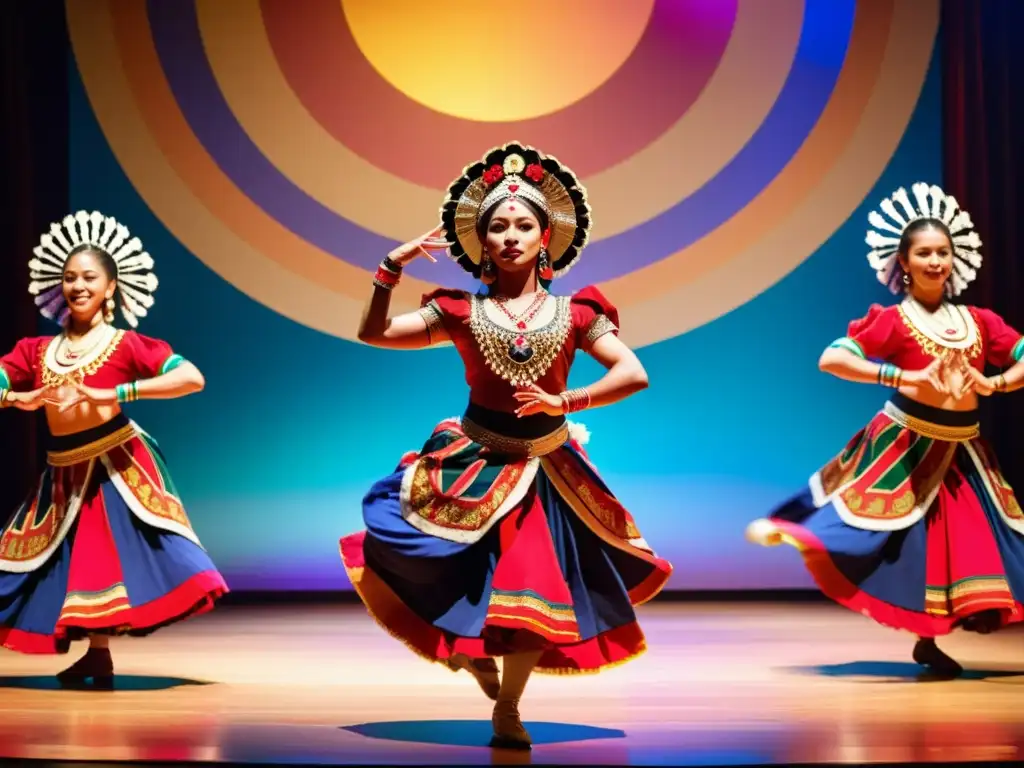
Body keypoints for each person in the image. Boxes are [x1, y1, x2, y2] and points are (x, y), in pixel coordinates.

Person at [340, 143, 672, 749]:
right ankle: (468, 658)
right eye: (498, 226)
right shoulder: (461, 312)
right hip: (474, 460)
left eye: (524, 225)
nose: (511, 235)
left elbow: (633, 372)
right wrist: (390, 268)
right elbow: (374, 333)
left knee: (531, 591)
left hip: (545, 468)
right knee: (422, 557)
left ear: (546, 236)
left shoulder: (577, 314)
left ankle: (509, 708)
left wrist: (564, 404)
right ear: (481, 243)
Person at [746, 183, 1024, 677]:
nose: (935, 261)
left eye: (943, 252)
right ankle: (796, 531)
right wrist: (902, 376)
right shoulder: (894, 321)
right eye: (924, 253)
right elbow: (833, 357)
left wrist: (996, 382)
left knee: (966, 547)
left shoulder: (979, 321)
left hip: (964, 450)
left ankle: (929, 642)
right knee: (899, 540)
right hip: (906, 447)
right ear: (905, 261)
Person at [0, 210, 228, 687]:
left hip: (113, 464)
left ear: (110, 288)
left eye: (89, 277)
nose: (77, 285)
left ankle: (97, 654)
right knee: (33, 564)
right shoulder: (36, 351)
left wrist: (117, 393)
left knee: (98, 559)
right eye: (69, 277)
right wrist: (12, 395)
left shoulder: (125, 345)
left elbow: (191, 377)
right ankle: (96, 657)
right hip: (63, 468)